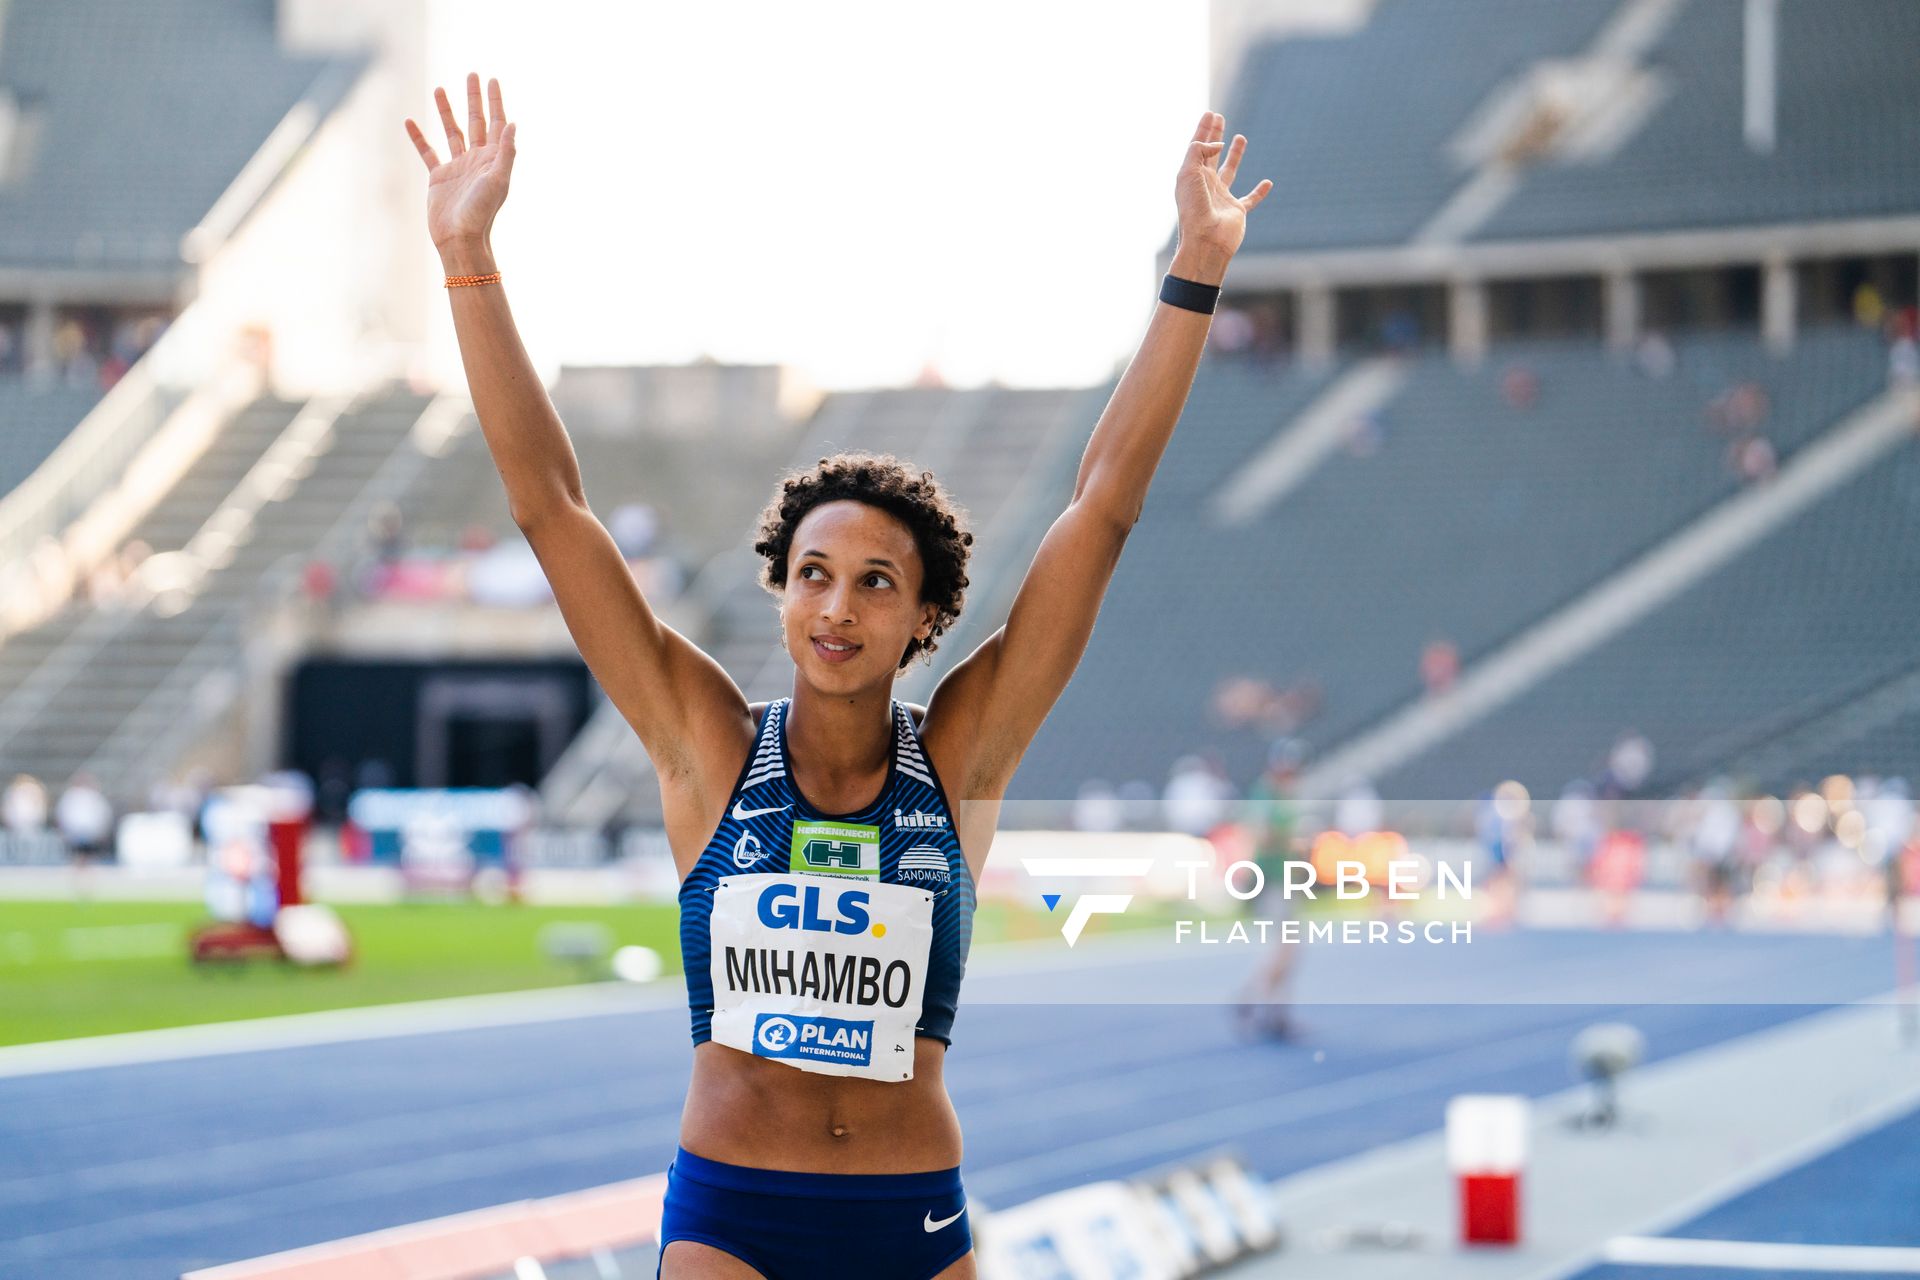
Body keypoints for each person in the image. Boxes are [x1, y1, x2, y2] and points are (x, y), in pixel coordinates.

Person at [405, 75, 1272, 1280]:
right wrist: (465, 254)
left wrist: (1194, 271)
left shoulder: (962, 752)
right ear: (781, 588)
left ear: (925, 615)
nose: (838, 604)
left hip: (910, 1213)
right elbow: (551, 508)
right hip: (733, 1214)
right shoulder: (703, 742)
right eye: (814, 572)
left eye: (875, 581)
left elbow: (1104, 507)